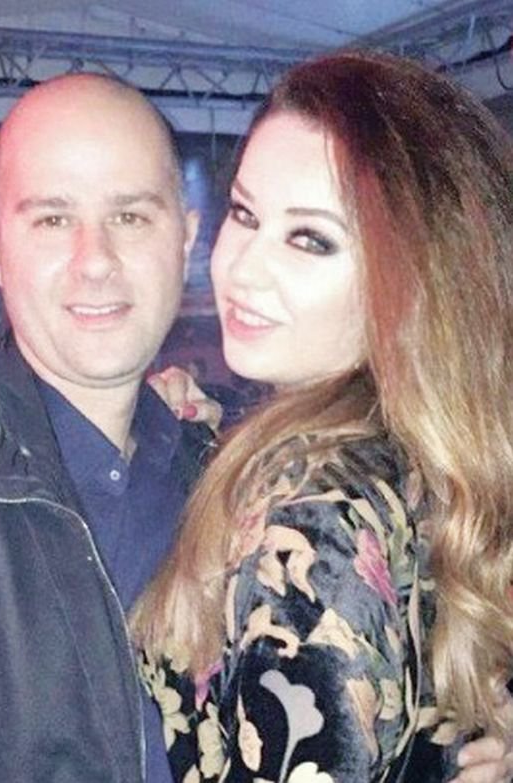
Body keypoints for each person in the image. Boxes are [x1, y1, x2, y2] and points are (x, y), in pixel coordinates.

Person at [132, 50, 513, 783]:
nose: (241, 268)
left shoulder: (312, 523)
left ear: (419, 276)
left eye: (310, 238)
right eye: (244, 214)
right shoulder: (421, 459)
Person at [0, 72, 213, 782]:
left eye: (130, 216)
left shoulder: (228, 476)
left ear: (186, 238)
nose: (95, 259)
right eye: (52, 219)